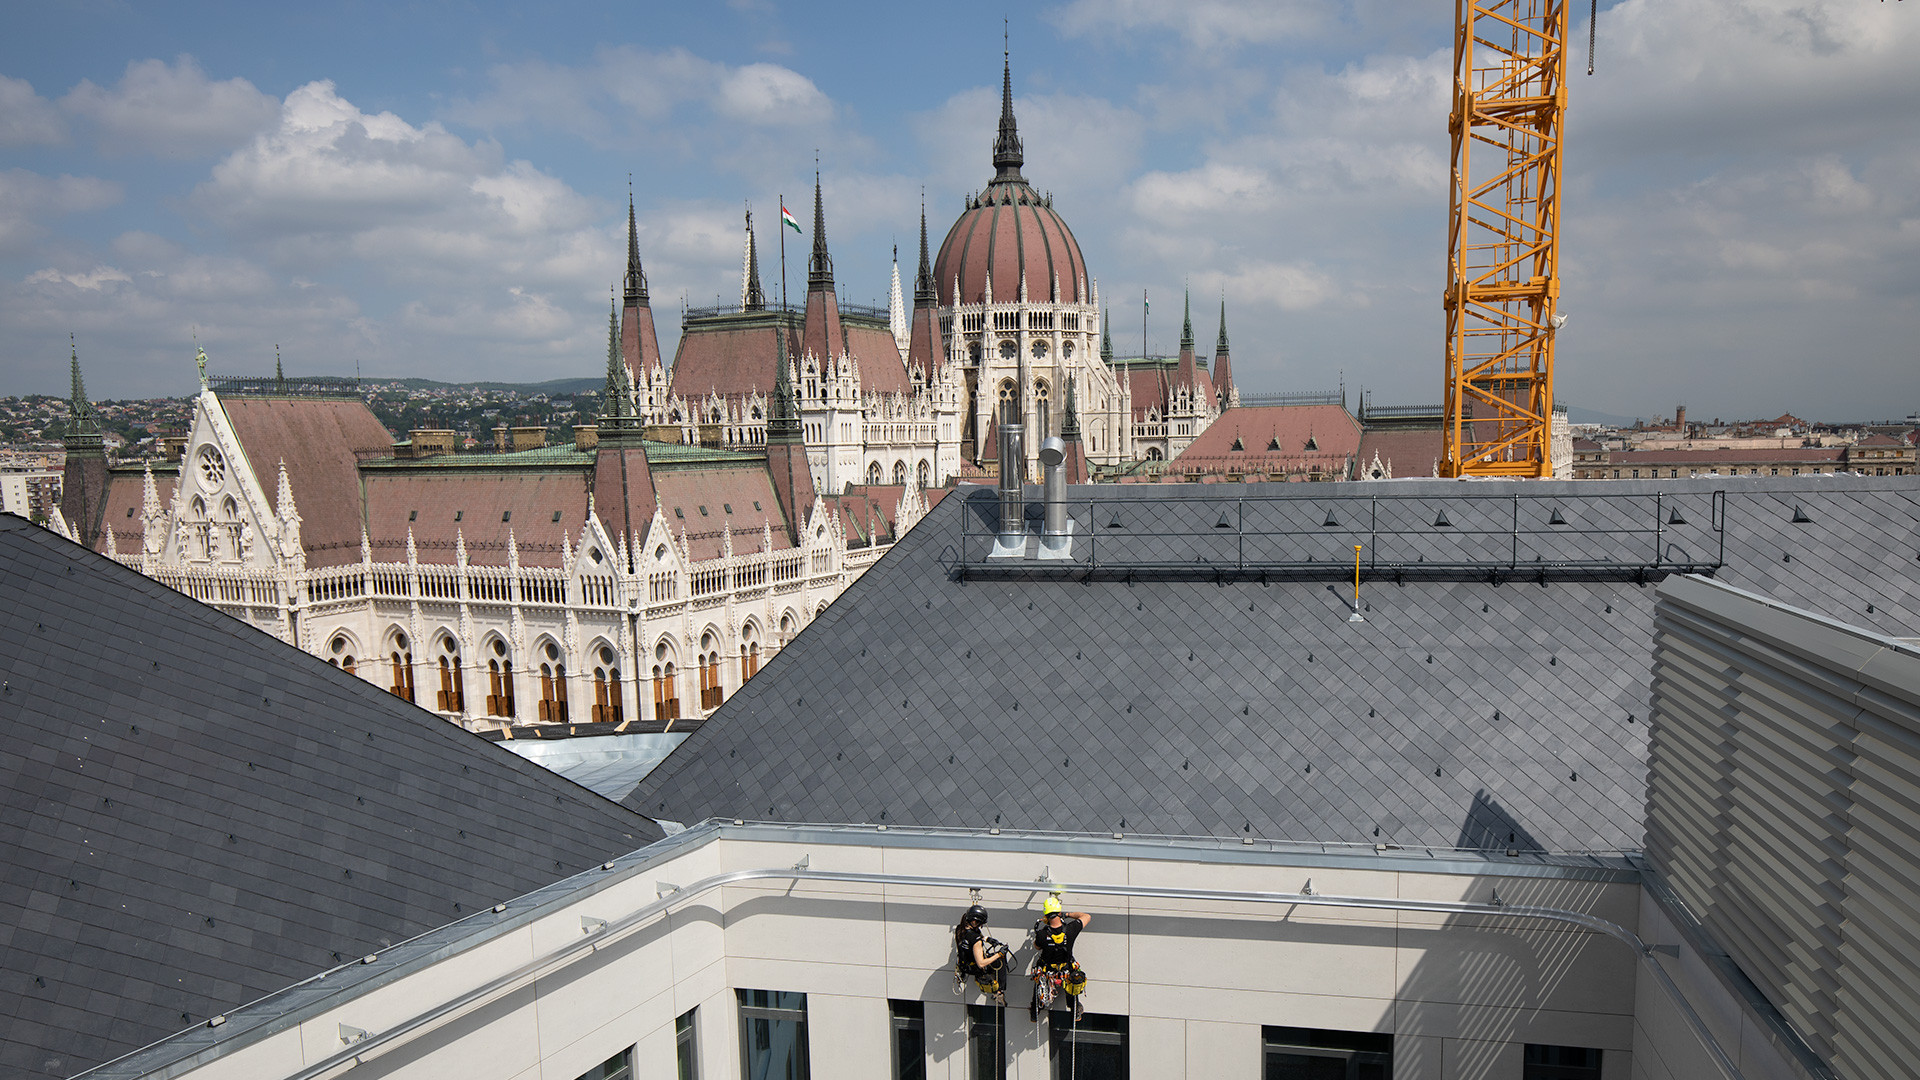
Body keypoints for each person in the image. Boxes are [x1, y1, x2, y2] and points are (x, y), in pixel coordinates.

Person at [1029, 895, 1092, 1021]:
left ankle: (1035, 1011)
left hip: (1047, 971)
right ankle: (1075, 1010)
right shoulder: (1070, 929)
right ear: (1059, 912)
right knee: (1072, 981)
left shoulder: (1041, 934)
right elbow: (1087, 916)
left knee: (1039, 983)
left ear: (1046, 916)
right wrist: (1067, 914)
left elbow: (1036, 947)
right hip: (1066, 969)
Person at [953, 904, 1012, 1004]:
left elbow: (974, 935)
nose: (981, 926)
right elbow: (981, 963)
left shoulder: (960, 929)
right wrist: (1000, 954)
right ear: (975, 922)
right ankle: (999, 992)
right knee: (1000, 961)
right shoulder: (976, 941)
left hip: (964, 965)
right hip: (975, 968)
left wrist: (988, 939)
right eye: (980, 924)